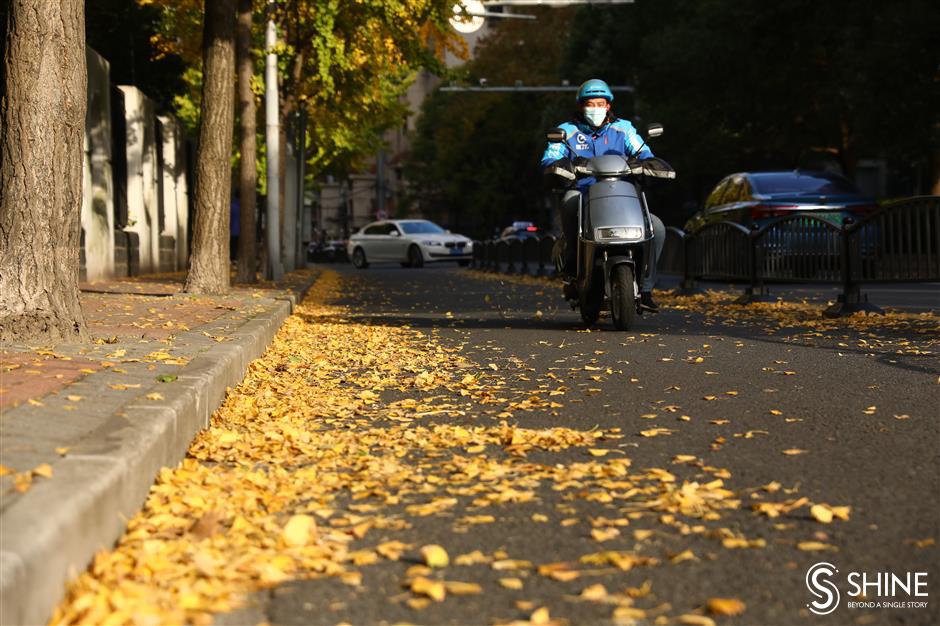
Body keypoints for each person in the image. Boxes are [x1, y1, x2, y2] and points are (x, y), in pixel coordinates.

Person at [541, 78, 665, 311]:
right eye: (590, 103)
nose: (595, 108)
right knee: (569, 203)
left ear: (608, 106)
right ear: (580, 106)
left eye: (601, 103)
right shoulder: (566, 131)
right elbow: (550, 156)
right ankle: (572, 260)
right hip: (584, 195)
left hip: (622, 196)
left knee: (656, 228)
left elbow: (643, 151)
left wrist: (648, 162)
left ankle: (646, 288)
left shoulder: (624, 128)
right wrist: (561, 164)